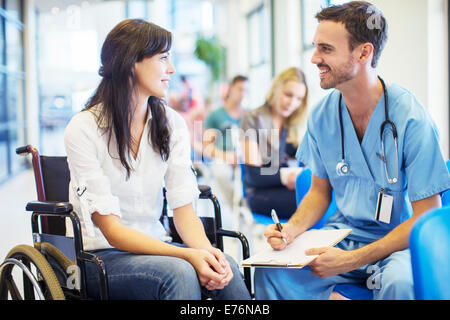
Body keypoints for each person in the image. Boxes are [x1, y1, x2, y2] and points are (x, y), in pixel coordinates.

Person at [255, 1, 450, 300]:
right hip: (344, 236)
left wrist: (352, 260)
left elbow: (427, 215)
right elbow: (319, 193)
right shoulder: (322, 116)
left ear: (364, 52)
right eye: (315, 47)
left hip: (397, 242)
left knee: (403, 284)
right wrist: (290, 230)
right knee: (271, 270)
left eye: (326, 49)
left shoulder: (410, 117)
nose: (314, 59)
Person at [63, 19, 250, 300]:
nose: (171, 69)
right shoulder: (84, 128)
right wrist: (188, 255)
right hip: (98, 258)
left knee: (227, 267)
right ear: (131, 62)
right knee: (180, 272)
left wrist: (206, 253)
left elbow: (184, 210)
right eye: (163, 58)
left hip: (157, 249)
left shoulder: (171, 124)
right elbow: (113, 232)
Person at [239, 67, 308, 219]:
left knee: (320, 196)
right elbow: (254, 176)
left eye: (298, 99)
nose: (292, 103)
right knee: (314, 203)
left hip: (283, 189)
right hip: (259, 194)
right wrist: (287, 176)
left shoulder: (292, 124)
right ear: (276, 89)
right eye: (288, 94)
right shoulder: (252, 119)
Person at [203, 75, 248, 165]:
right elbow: (207, 147)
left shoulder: (249, 116)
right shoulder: (215, 115)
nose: (242, 94)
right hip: (222, 164)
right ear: (230, 89)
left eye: (245, 91)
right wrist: (225, 156)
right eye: (240, 89)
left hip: (244, 163)